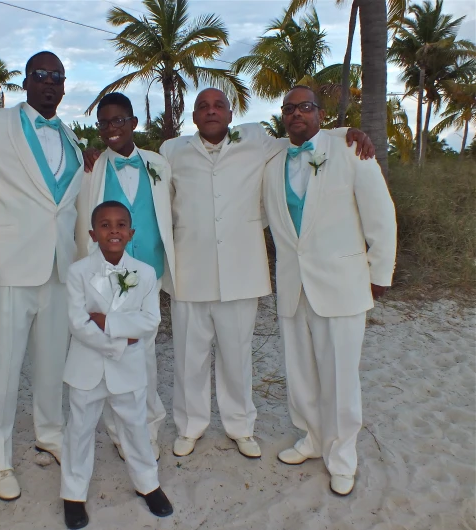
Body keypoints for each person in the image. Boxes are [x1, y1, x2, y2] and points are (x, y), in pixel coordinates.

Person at [159, 88, 375, 459]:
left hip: (241, 271)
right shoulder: (171, 152)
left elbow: (301, 136)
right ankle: (190, 425)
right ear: (193, 117)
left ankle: (240, 426)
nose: (211, 111)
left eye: (218, 105)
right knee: (188, 358)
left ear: (230, 114)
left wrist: (348, 134)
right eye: (203, 107)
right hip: (189, 270)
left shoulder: (256, 139)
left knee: (237, 356)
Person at [262, 85, 397, 496]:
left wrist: (378, 275)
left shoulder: (351, 150)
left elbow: (381, 217)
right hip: (293, 285)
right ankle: (311, 438)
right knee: (300, 372)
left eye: (304, 106)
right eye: (288, 109)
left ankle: (343, 457)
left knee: (340, 376)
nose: (295, 114)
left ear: (320, 113)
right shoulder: (272, 166)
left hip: (342, 285)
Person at [0, 51, 84, 500]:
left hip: (60, 267)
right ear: (25, 80)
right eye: (41, 75)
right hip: (8, 267)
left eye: (58, 77)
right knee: (1, 368)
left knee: (52, 362)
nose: (50, 83)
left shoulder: (73, 139)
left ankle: (50, 431)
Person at [61, 200, 173, 530]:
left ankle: (147, 484)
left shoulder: (146, 272)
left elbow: (150, 321)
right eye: (106, 225)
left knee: (136, 428)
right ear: (93, 233)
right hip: (88, 367)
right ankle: (73, 493)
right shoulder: (78, 272)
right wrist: (121, 339)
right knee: (79, 430)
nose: (114, 230)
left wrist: (108, 323)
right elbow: (78, 324)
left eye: (121, 224)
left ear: (131, 232)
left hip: (129, 370)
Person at [75, 92, 175, 461]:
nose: (112, 128)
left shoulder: (159, 164)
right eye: (104, 122)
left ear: (134, 123)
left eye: (119, 121)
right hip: (104, 275)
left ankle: (148, 427)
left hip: (150, 274)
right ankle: (121, 432)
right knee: (113, 355)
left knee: (143, 354)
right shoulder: (91, 168)